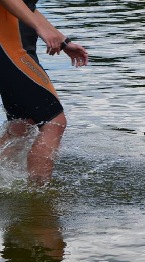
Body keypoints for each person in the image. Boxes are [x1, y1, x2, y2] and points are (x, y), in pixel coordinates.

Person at [0, 0, 88, 185]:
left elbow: (27, 6)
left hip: (14, 48)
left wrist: (63, 41)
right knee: (54, 121)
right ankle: (38, 199)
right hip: (10, 49)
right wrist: (42, 29)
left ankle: (18, 190)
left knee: (22, 125)